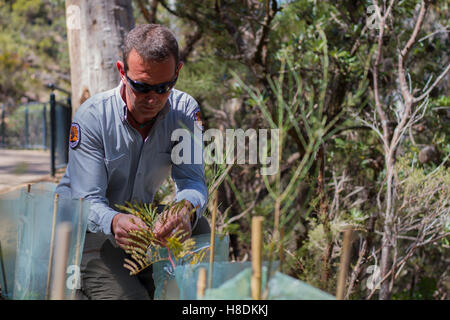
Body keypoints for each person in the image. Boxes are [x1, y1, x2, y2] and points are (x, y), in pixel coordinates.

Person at [56, 24, 209, 300]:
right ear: (121, 71)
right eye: (142, 87)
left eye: (165, 87)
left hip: (138, 223)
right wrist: (114, 221)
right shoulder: (93, 117)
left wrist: (184, 209)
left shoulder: (185, 112)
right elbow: (85, 200)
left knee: (199, 225)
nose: (153, 99)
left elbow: (193, 182)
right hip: (88, 230)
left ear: (178, 72)